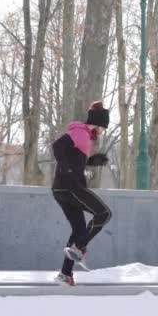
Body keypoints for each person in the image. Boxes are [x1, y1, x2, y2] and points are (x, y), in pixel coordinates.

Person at [51, 101, 112, 286]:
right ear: (98, 124)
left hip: (60, 189)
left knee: (78, 230)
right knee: (104, 213)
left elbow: (73, 159)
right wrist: (67, 171)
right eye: (102, 128)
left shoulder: (82, 136)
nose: (101, 132)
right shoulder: (80, 132)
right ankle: (79, 247)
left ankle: (65, 274)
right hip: (71, 187)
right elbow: (57, 147)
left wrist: (92, 161)